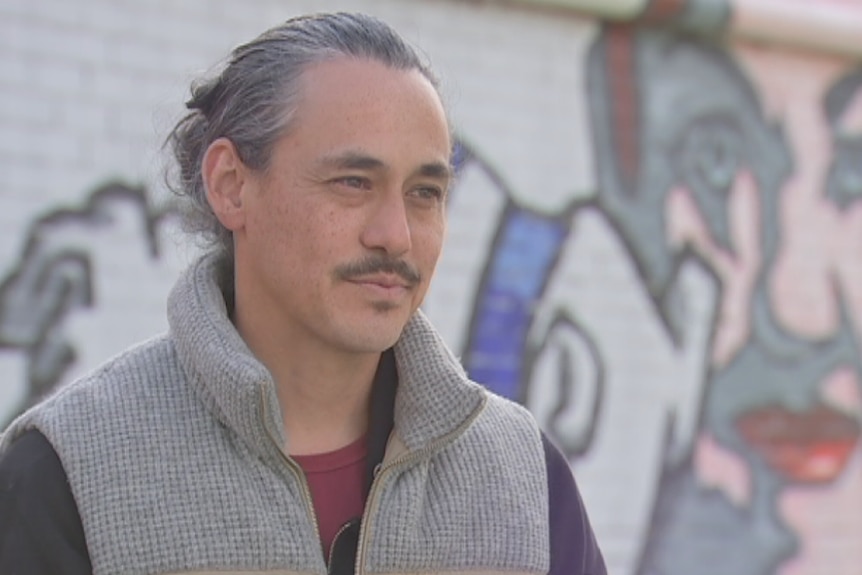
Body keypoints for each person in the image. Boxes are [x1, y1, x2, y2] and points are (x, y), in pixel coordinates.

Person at [0, 12, 606, 575]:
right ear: (231, 186)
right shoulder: (69, 471)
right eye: (352, 182)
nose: (395, 234)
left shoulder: (523, 477)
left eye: (425, 192)